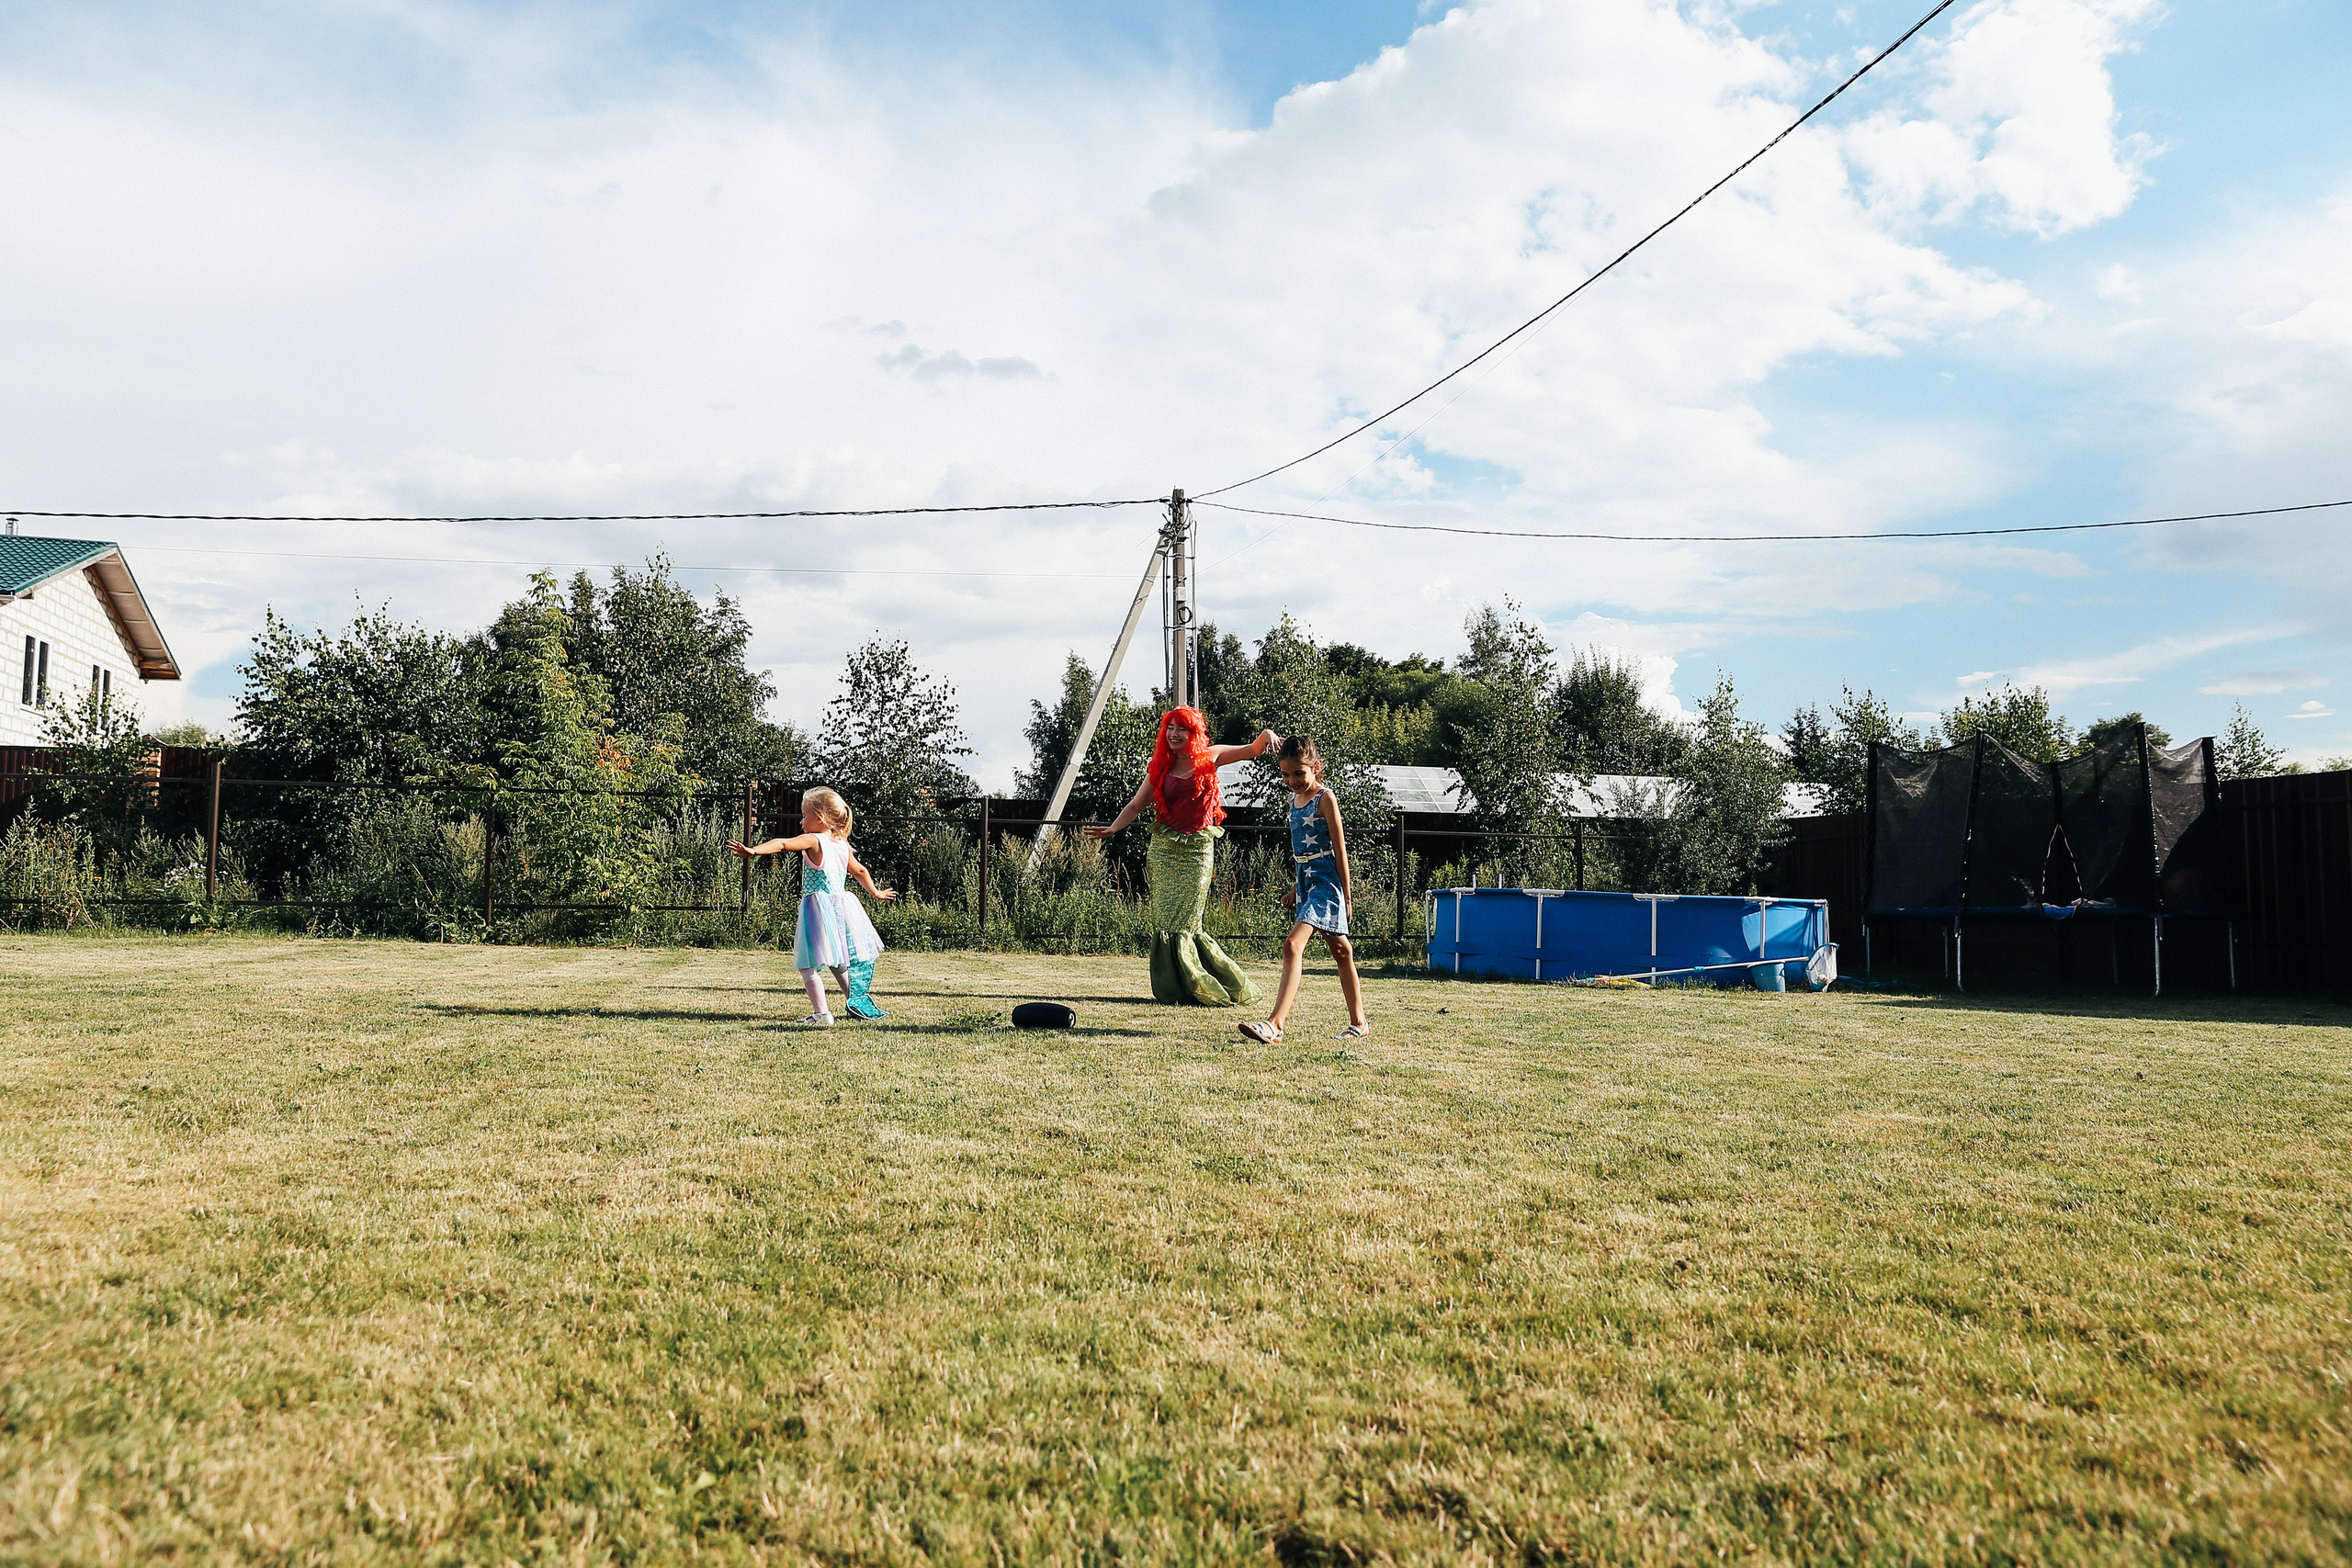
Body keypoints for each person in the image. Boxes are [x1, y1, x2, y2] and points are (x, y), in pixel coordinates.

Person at [1084, 708, 1279, 1007]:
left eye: (1181, 729)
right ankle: (1177, 989)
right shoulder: (1161, 766)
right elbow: (1136, 805)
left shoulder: (1212, 756)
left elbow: (1253, 749)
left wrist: (1265, 736)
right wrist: (1113, 828)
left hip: (1198, 851)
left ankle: (1201, 984)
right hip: (1164, 851)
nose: (1174, 734)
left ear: (1194, 733)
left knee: (1188, 921)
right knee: (1165, 920)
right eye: (1170, 728)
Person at [729, 786, 896, 1025]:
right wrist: (875, 892)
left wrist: (754, 851)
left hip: (817, 907)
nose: (801, 821)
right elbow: (860, 870)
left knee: (808, 964)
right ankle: (854, 1004)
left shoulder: (814, 839)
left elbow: (782, 844)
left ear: (820, 818)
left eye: (805, 816)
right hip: (840, 908)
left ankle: (822, 1014)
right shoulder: (841, 844)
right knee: (838, 961)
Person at [1239, 735, 1368, 1043]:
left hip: (1327, 885)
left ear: (1316, 768)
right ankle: (1360, 1023)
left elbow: (1338, 851)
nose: (1292, 781)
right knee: (1342, 951)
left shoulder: (1325, 798)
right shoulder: (1292, 802)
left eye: (1299, 773)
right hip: (1307, 883)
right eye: (1285, 775)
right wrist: (1296, 889)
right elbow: (1306, 855)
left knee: (1292, 945)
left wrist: (1347, 896)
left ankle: (1275, 1024)